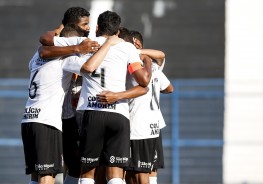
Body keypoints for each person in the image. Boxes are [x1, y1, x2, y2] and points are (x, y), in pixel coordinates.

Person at [21, 24, 122, 184]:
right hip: (50, 120)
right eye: (83, 27)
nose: (87, 32)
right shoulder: (66, 59)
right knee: (49, 173)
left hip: (30, 118)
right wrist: (108, 44)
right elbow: (90, 67)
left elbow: (43, 48)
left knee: (39, 172)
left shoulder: (36, 57)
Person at [76, 11, 152, 184]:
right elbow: (143, 82)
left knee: (87, 174)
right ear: (118, 31)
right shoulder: (127, 48)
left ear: (97, 27)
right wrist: (117, 95)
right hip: (118, 113)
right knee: (115, 175)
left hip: (92, 112)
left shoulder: (86, 45)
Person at [97, 29, 173, 184]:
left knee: (136, 175)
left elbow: (144, 84)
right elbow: (169, 88)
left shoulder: (133, 65)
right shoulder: (151, 66)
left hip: (137, 127)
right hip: (153, 126)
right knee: (145, 174)